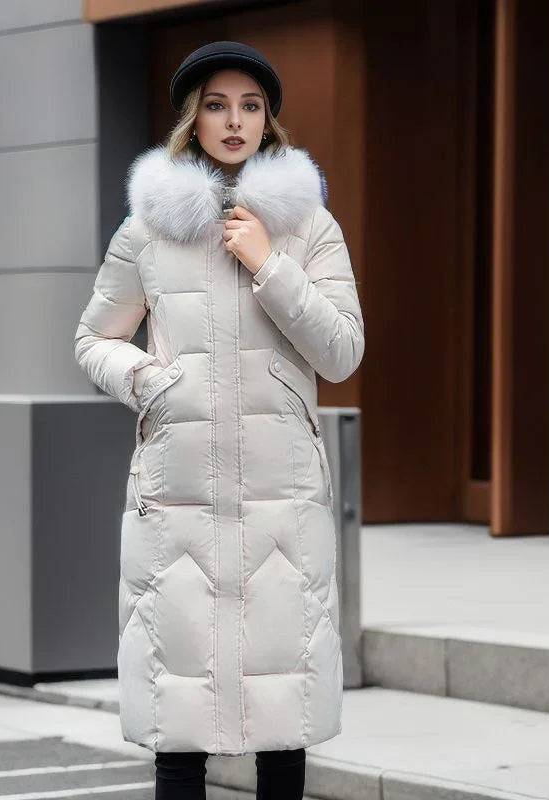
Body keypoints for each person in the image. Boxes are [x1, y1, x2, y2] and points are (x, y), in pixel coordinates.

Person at [74, 40, 365, 800]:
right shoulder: (148, 230)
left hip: (281, 495)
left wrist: (270, 264)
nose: (233, 121)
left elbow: (341, 353)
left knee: (282, 716)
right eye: (215, 104)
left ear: (269, 120)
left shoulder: (310, 226)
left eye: (250, 105)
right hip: (178, 494)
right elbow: (93, 338)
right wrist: (147, 381)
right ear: (191, 119)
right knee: (179, 713)